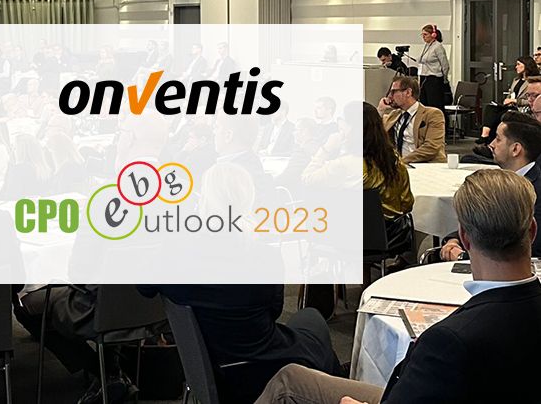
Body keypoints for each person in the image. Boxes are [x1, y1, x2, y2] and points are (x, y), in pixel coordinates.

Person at [256, 169, 541, 404]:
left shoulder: (449, 341)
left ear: (464, 238)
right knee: (293, 377)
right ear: (531, 230)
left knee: (287, 384)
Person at [139, 285, 342, 403]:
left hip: (208, 375)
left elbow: (144, 288)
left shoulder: (170, 263)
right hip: (269, 370)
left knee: (312, 332)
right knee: (312, 318)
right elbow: (274, 311)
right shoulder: (260, 258)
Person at [442, 111, 541, 260]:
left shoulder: (536, 192)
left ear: (515, 149)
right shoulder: (501, 182)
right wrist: (454, 240)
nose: (492, 144)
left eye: (498, 139)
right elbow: (482, 223)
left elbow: (525, 249)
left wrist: (462, 256)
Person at [363, 102, 414, 249]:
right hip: (389, 234)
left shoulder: (342, 165)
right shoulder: (394, 163)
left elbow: (308, 179)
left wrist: (326, 149)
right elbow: (407, 203)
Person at [474, 56, 539, 150]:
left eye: (518, 64)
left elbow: (532, 100)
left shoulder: (532, 82)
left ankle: (489, 144)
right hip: (510, 106)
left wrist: (515, 101)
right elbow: (511, 94)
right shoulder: (516, 80)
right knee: (490, 108)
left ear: (526, 65)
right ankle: (485, 135)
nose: (516, 67)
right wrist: (508, 100)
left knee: (499, 116)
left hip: (521, 107)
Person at [377, 76, 446, 163]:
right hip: (400, 165)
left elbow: (431, 147)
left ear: (408, 92)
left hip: (425, 163)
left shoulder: (432, 114)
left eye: (393, 92)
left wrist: (402, 162)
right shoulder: (394, 115)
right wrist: (380, 110)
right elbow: (373, 133)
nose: (390, 96)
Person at [416, 23, 449, 114]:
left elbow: (445, 65)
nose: (423, 37)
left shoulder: (438, 47)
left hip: (434, 78)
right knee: (424, 103)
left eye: (425, 34)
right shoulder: (427, 46)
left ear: (433, 35)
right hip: (424, 77)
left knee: (434, 105)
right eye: (422, 35)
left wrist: (444, 78)